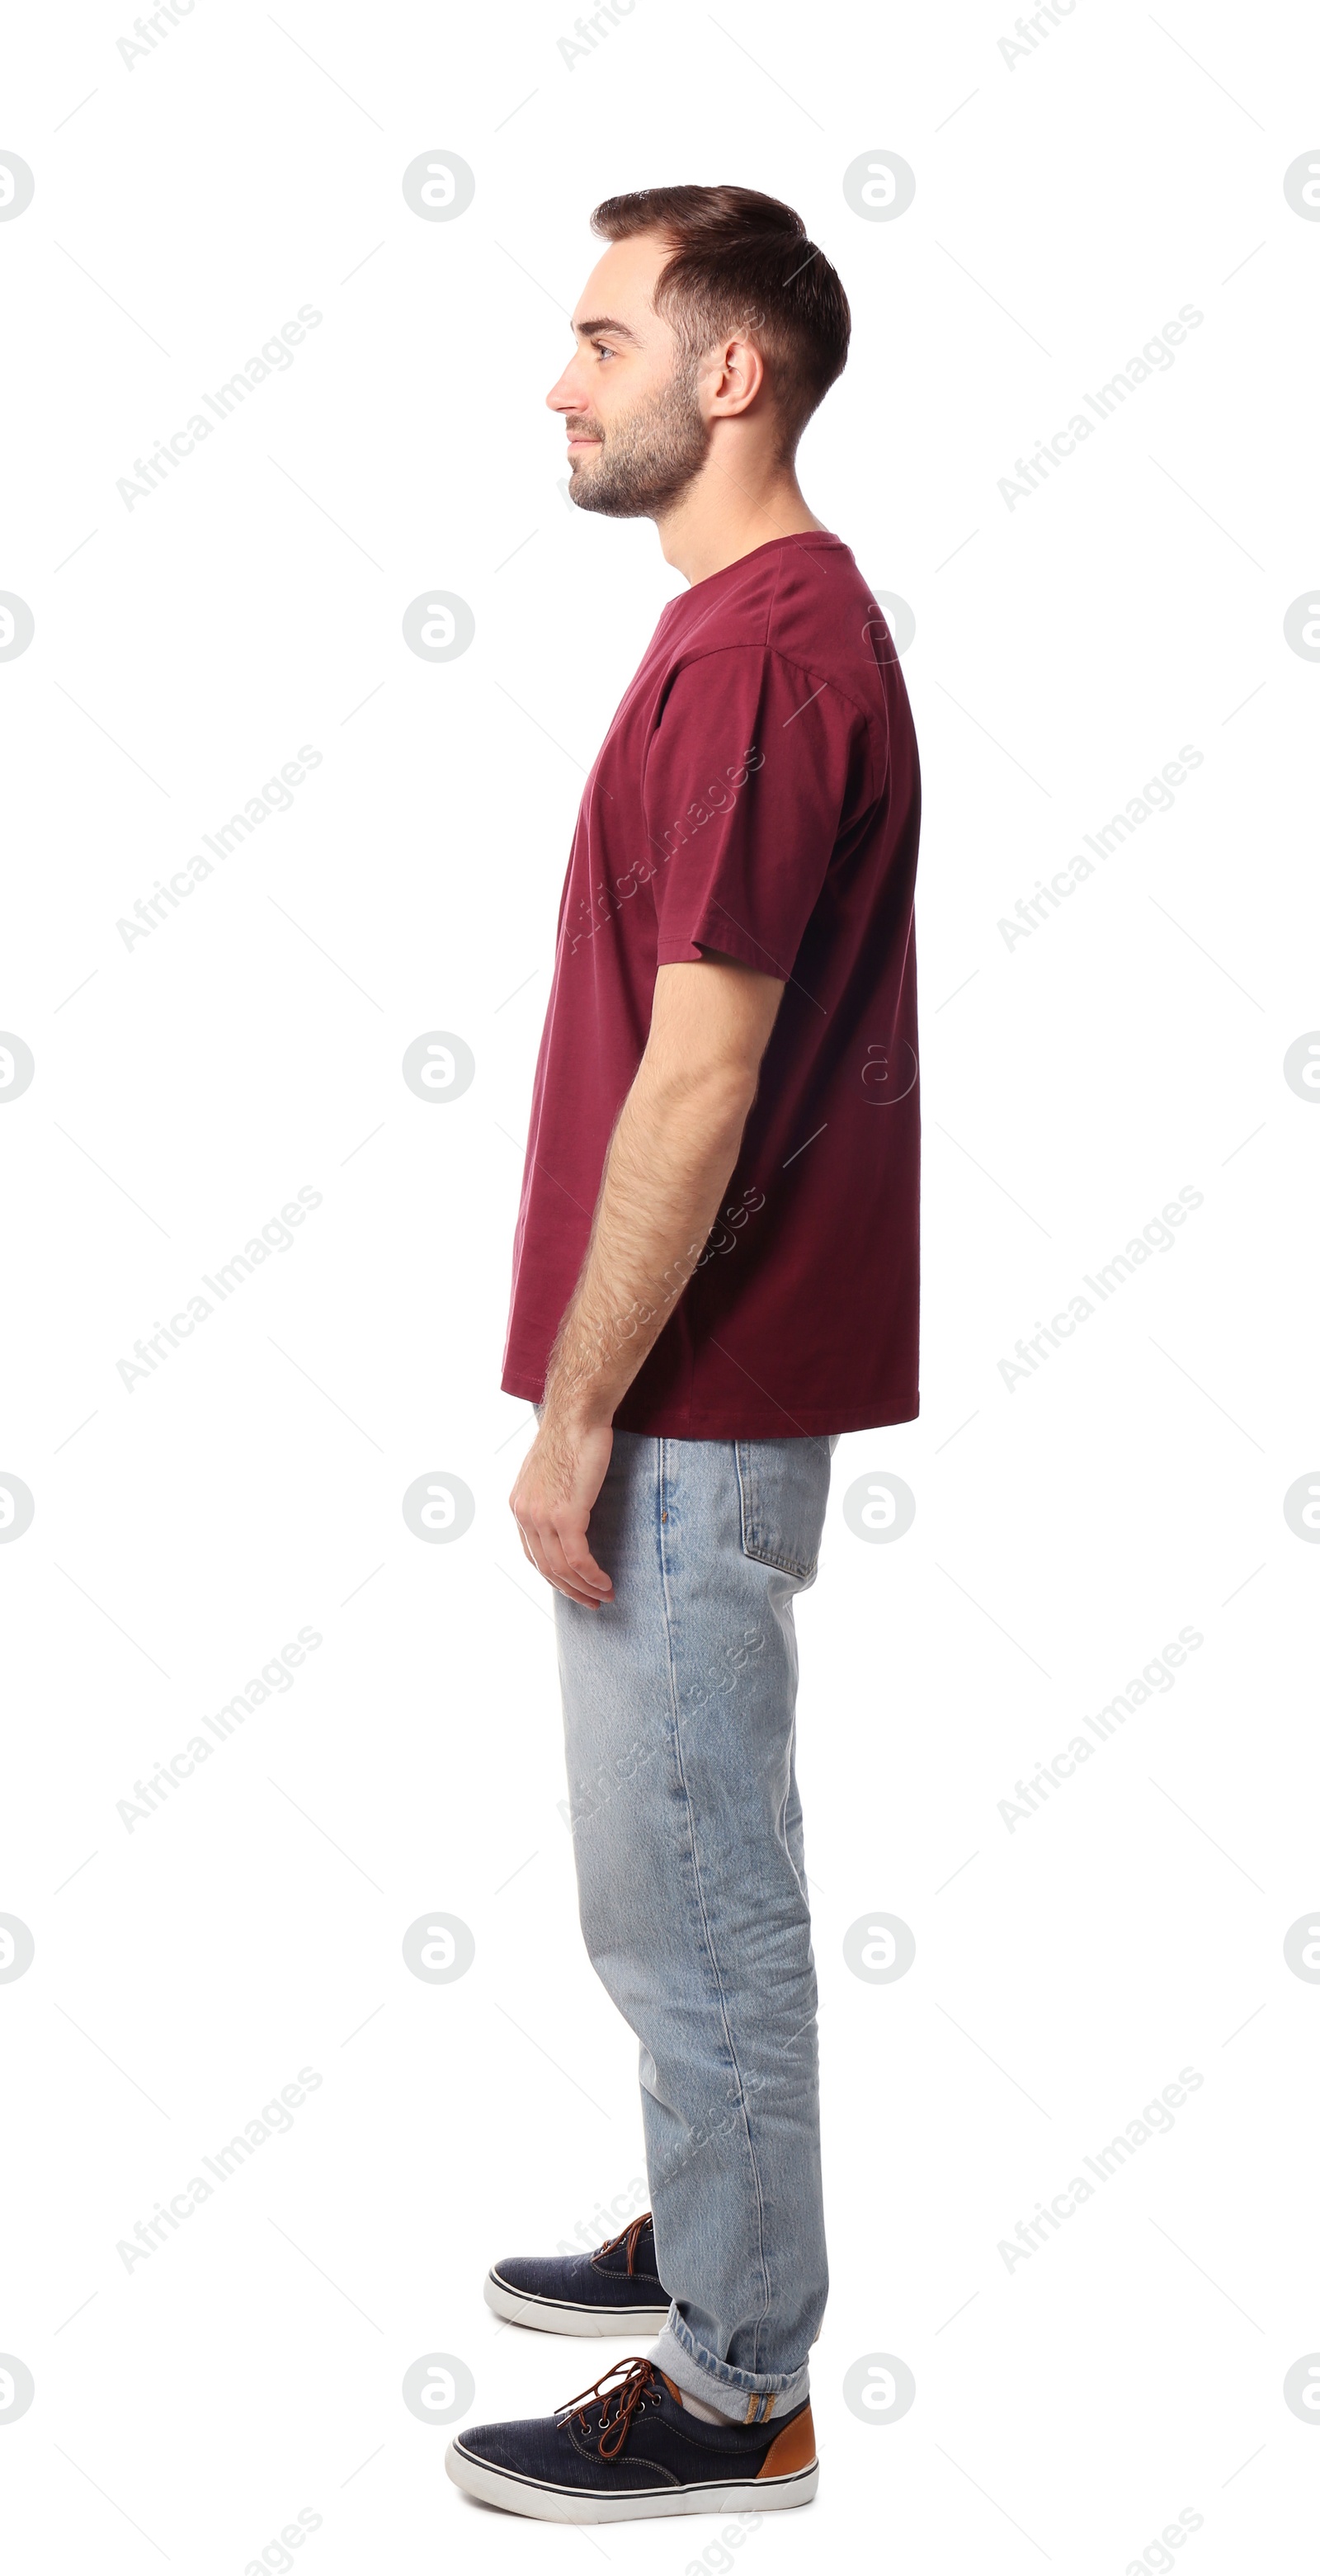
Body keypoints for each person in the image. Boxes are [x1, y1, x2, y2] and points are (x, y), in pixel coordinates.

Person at [445, 182, 921, 2524]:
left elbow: (704, 1073)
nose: (563, 375)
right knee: (659, 1862)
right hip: (690, 1390)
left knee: (696, 1872)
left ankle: (744, 2385)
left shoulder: (758, 655)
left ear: (726, 373)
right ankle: (709, 2224)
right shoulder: (757, 626)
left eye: (601, 332)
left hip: (690, 1403)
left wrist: (579, 1405)